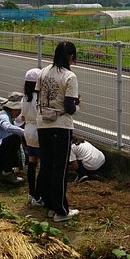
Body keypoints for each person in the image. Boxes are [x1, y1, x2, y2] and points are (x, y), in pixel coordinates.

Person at [36, 41, 80, 223]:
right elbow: (69, 107)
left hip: (42, 123)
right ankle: (61, 210)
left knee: (46, 164)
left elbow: (39, 95)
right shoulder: (70, 77)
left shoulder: (43, 72)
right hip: (61, 125)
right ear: (70, 57)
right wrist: (77, 105)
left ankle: (49, 204)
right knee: (59, 169)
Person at [21, 68, 44, 206]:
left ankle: (31, 193)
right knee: (43, 165)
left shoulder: (25, 97)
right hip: (39, 131)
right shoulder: (39, 97)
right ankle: (38, 196)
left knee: (32, 162)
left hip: (28, 131)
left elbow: (23, 116)